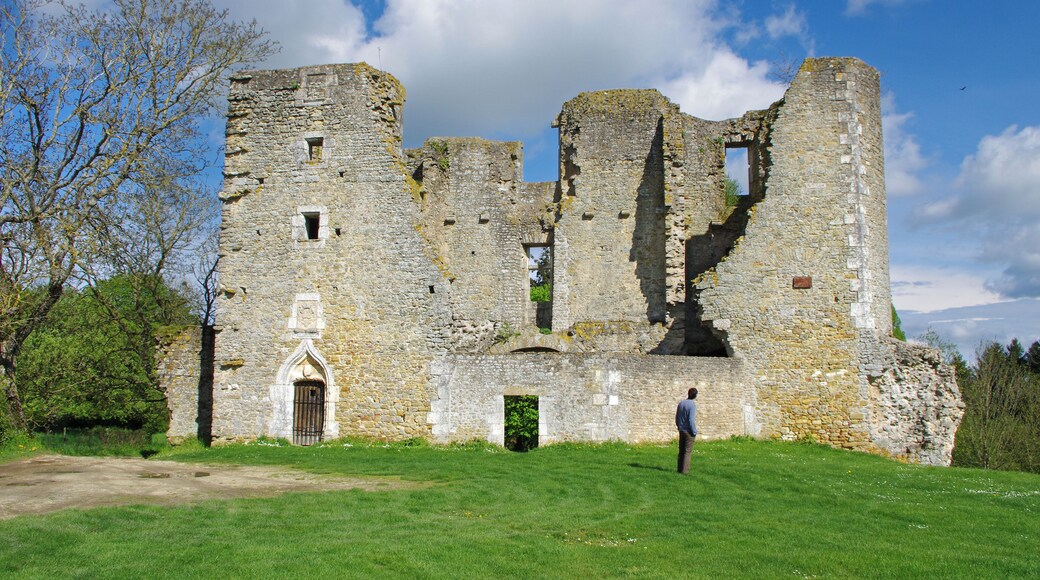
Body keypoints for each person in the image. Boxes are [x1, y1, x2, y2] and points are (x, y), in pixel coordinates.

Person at [675, 387, 698, 474]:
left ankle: (679, 469)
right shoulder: (692, 405)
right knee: (687, 451)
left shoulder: (681, 403)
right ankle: (684, 471)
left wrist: (679, 426)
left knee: (681, 451)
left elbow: (677, 417)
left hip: (681, 430)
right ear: (695, 395)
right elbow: (691, 420)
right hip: (689, 431)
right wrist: (694, 431)